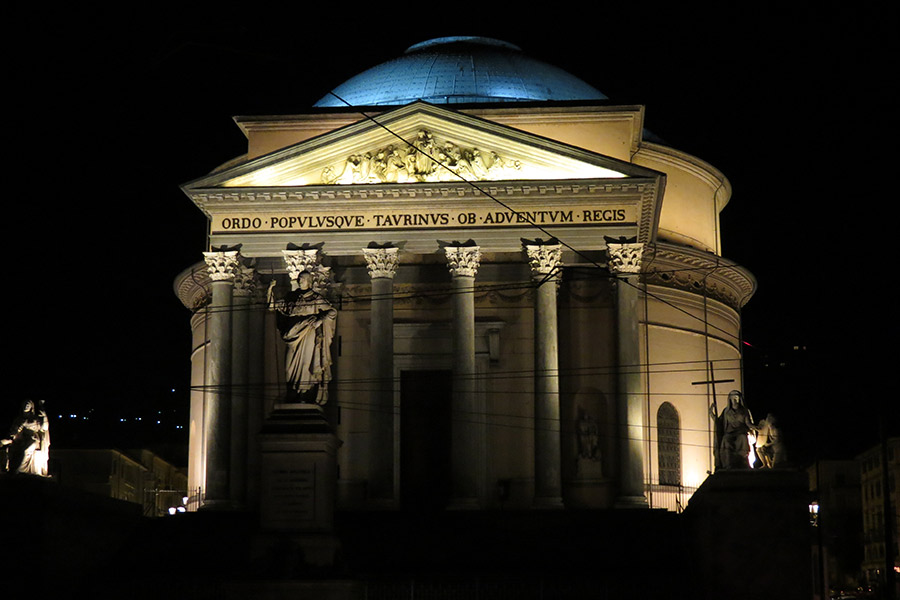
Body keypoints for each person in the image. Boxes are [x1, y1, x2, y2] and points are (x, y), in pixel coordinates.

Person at [268, 270, 337, 404]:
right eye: (299, 279)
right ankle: (291, 393)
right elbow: (273, 307)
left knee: (306, 365)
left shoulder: (315, 298)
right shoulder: (291, 297)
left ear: (309, 282)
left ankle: (304, 395)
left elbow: (332, 311)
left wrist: (320, 320)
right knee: (288, 369)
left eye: (303, 279)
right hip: (292, 336)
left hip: (308, 334)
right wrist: (270, 290)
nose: (300, 281)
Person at [709, 390, 756, 470]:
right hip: (729, 433)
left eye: (736, 398)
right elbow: (719, 422)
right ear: (730, 399)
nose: (735, 400)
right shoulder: (726, 412)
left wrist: (755, 427)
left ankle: (743, 461)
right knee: (726, 441)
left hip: (740, 432)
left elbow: (748, 423)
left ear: (739, 399)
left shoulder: (744, 411)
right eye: (733, 398)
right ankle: (728, 463)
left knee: (743, 438)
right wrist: (711, 412)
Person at [5, 399, 50, 476]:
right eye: (25, 405)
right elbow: (13, 432)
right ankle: (14, 469)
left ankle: (20, 469)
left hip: (33, 439)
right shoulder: (18, 419)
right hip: (20, 440)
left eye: (28, 405)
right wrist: (16, 431)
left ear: (31, 407)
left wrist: (45, 417)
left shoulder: (35, 419)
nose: (26, 406)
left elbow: (44, 428)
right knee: (13, 449)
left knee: (26, 450)